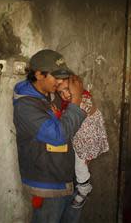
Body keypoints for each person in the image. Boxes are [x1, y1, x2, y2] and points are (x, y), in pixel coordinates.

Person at [13, 49, 87, 223]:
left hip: (65, 179)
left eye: (63, 77)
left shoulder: (48, 95)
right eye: (56, 77)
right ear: (39, 75)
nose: (60, 81)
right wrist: (75, 101)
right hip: (48, 186)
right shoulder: (26, 106)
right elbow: (58, 136)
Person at [55, 79, 109, 208]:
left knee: (80, 166)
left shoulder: (83, 101)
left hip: (86, 141)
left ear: (76, 88)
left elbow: (71, 119)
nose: (65, 94)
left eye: (67, 89)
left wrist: (57, 114)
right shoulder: (73, 102)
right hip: (80, 140)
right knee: (78, 164)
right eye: (61, 92)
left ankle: (84, 189)